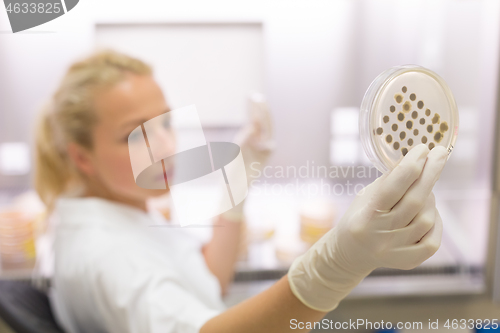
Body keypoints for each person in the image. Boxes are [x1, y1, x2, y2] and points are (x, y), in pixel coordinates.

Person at [34, 50, 448, 333]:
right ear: (82, 157)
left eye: (164, 123)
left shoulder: (116, 205)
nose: (165, 146)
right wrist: (334, 267)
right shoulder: (107, 256)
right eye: (134, 135)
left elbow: (209, 278)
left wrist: (238, 179)